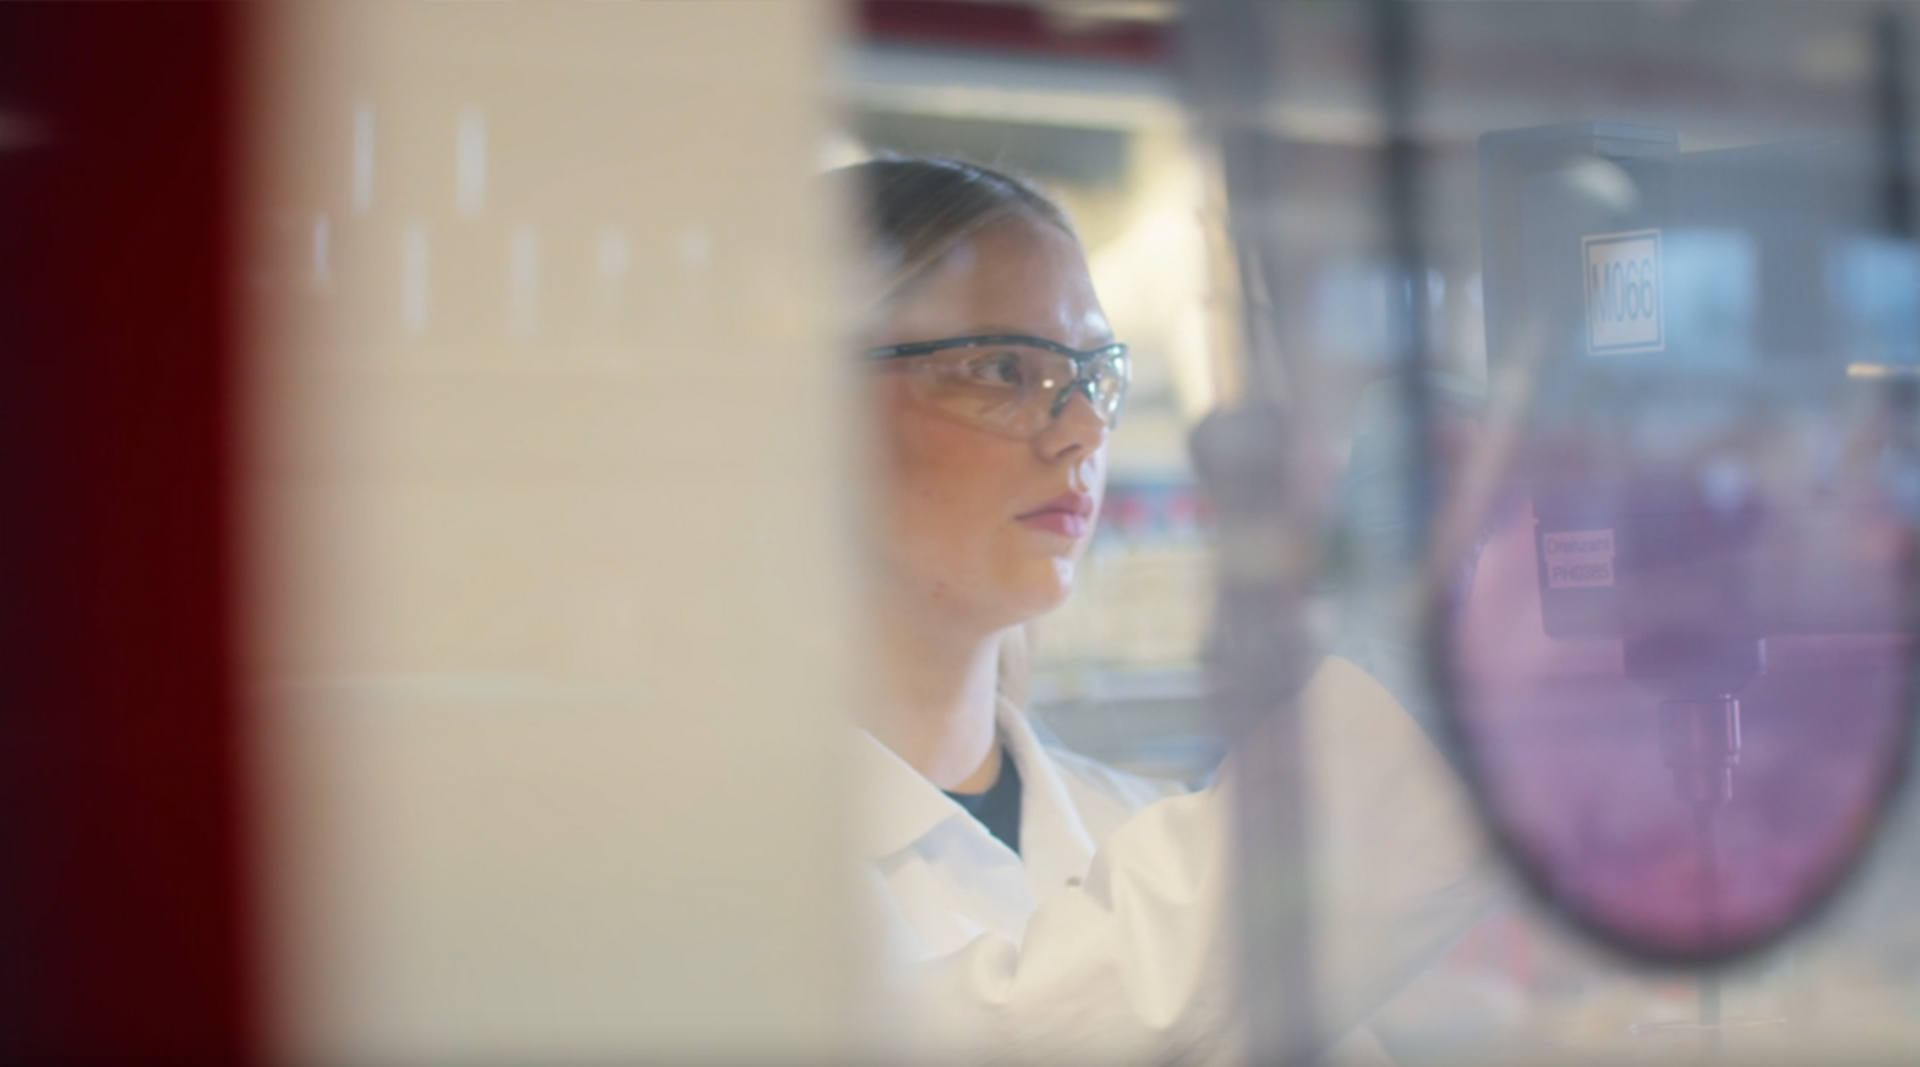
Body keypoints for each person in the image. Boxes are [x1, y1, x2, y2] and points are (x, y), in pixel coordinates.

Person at [840, 155, 1499, 1065]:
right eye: (1000, 367)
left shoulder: (1138, 824)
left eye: (1093, 371)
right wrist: (1398, 685)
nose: (1079, 429)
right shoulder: (692, 865)